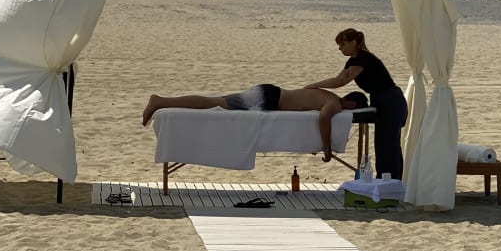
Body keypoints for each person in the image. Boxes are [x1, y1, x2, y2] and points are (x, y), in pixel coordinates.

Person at [141, 85, 367, 161]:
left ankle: (162, 101)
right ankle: (161, 101)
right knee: (214, 103)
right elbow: (324, 118)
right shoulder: (335, 103)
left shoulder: (327, 95)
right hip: (269, 98)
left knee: (216, 102)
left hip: (270, 95)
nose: (349, 112)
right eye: (353, 108)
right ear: (352, 103)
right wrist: (327, 147)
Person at [307, 28, 408, 180]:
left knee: (388, 146)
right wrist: (316, 86)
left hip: (391, 100)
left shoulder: (363, 59)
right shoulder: (353, 61)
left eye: (342, 44)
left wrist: (314, 85)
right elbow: (338, 78)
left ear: (353, 43)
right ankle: (388, 181)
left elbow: (341, 81)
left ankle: (390, 182)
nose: (340, 48)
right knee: (384, 145)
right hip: (381, 100)